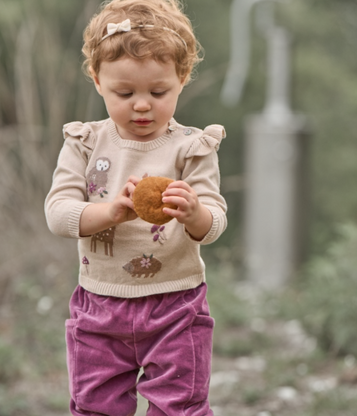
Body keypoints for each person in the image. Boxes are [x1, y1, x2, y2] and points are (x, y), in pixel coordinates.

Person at [45, 0, 227, 414]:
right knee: (95, 406)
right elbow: (57, 212)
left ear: (182, 79)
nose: (142, 105)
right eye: (124, 93)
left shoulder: (192, 148)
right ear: (97, 80)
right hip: (99, 306)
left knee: (181, 406)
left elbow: (214, 221)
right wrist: (110, 212)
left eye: (158, 92)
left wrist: (195, 212)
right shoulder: (85, 142)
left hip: (177, 305)